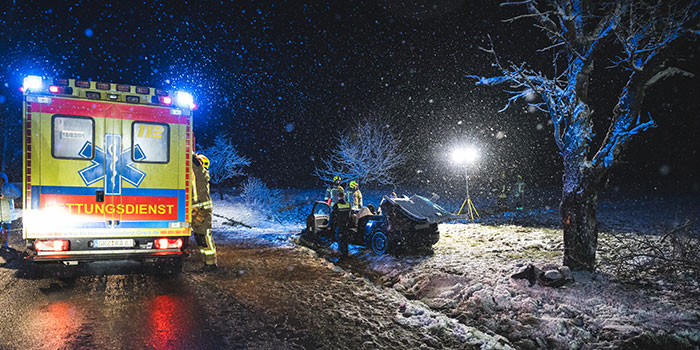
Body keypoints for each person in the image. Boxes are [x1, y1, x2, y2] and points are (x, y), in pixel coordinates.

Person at [191, 153, 217, 271]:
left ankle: (211, 264)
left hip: (201, 209)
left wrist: (190, 153)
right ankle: (207, 262)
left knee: (204, 236)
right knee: (200, 236)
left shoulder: (200, 172)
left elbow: (195, 165)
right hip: (199, 208)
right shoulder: (201, 174)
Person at [329, 188, 352, 258]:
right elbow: (350, 215)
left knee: (340, 239)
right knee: (345, 240)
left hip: (340, 225)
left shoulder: (336, 205)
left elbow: (332, 217)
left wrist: (330, 225)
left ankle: (341, 253)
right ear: (344, 197)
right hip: (347, 225)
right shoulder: (348, 204)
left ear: (338, 197)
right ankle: (346, 253)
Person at [0, 173, 19, 250]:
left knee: (6, 230)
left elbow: (17, 194)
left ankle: (4, 245)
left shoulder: (9, 187)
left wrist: (6, 197)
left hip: (6, 213)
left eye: (1, 179)